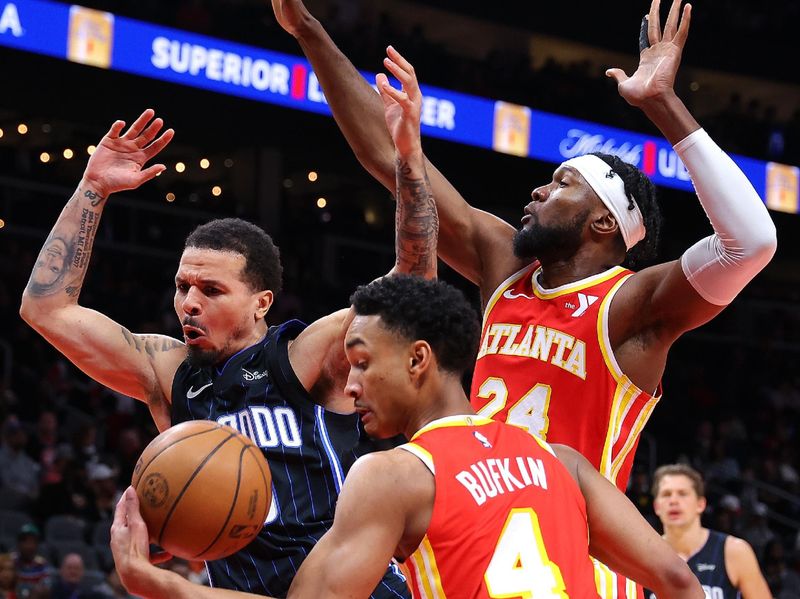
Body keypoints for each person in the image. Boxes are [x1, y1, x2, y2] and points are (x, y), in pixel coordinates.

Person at [270, 1, 777, 594]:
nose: (539, 188)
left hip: (574, 555)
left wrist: (661, 102)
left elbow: (751, 242)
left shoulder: (631, 306)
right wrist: (307, 31)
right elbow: (390, 160)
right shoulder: (505, 266)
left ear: (604, 224)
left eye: (563, 184)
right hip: (468, 535)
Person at [19, 101, 437, 597]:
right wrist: (92, 189)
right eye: (182, 287)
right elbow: (45, 309)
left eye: (211, 290)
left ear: (261, 303)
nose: (189, 303)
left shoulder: (303, 356)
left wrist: (409, 158)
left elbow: (414, 285)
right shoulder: (169, 371)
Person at [108, 275, 704, 599]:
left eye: (363, 363)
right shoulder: (564, 462)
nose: (355, 385)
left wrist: (156, 584)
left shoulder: (395, 474)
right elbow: (679, 584)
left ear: (418, 360)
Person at [649, 464, 771, 599]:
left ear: (700, 504)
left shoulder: (734, 551)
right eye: (666, 494)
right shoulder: (645, 556)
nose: (673, 501)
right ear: (657, 506)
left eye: (682, 494)